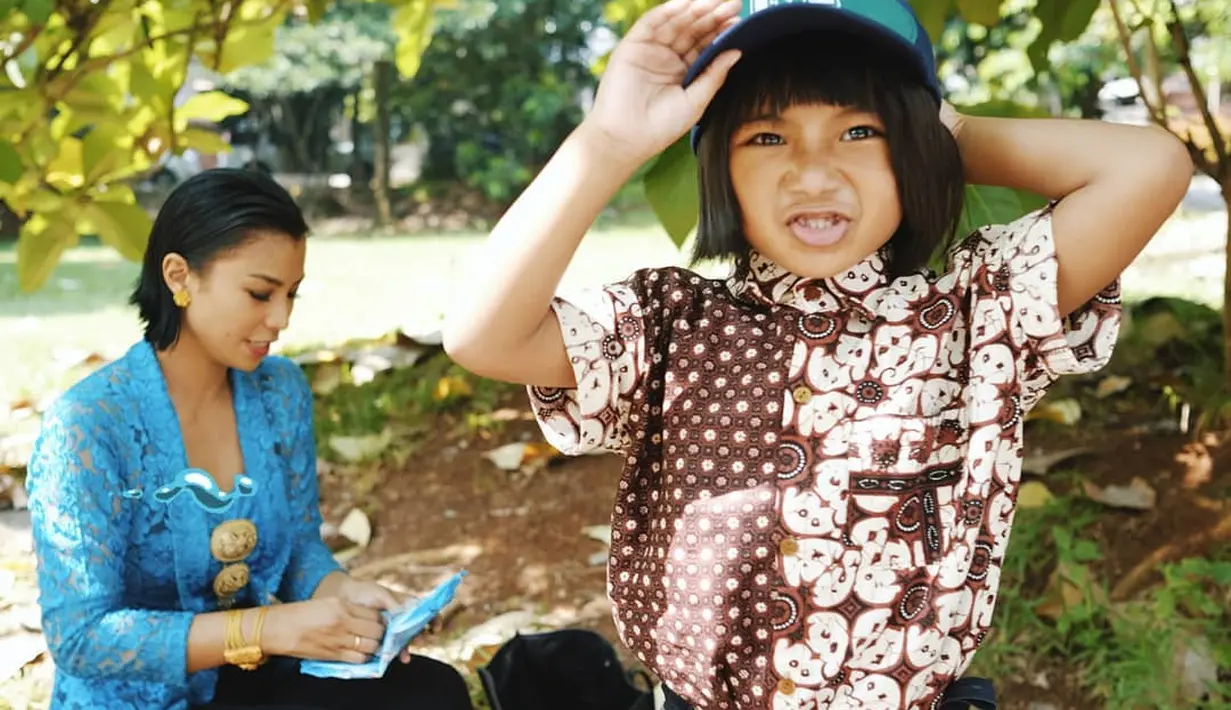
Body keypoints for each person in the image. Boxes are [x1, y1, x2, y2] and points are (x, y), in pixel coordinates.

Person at [441, 0, 1193, 708]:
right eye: (765, 138)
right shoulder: (668, 325)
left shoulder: (977, 309)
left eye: (859, 132)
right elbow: (484, 334)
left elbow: (1150, 168)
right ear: (719, 171)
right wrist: (607, 144)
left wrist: (947, 136)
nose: (812, 172)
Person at [26, 168, 474, 710]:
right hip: (136, 700)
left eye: (291, 294)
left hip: (248, 679)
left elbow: (299, 549)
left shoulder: (279, 391)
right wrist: (265, 628)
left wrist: (342, 593)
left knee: (432, 692)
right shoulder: (88, 427)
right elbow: (82, 638)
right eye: (260, 293)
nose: (280, 318)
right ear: (179, 277)